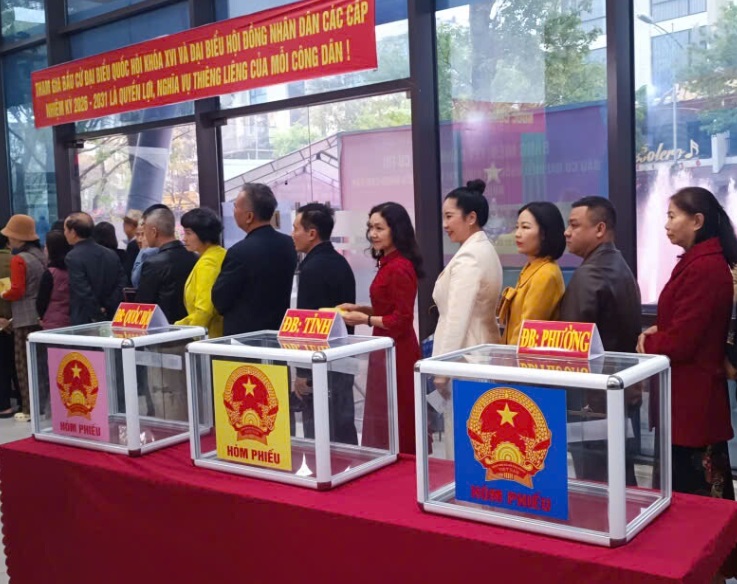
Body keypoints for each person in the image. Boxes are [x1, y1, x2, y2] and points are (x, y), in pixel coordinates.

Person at [638, 187, 736, 499]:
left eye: (672, 216)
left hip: (693, 401)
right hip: (686, 398)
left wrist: (648, 342)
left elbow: (683, 342)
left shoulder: (704, 268)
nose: (666, 224)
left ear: (696, 221)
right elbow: (689, 324)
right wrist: (662, 329)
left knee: (696, 501)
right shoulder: (699, 262)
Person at [560, 196, 642, 485]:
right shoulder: (618, 265)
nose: (567, 232)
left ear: (599, 229)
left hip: (593, 402)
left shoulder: (590, 274)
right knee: (621, 477)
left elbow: (571, 342)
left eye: (574, 225)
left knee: (596, 484)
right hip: (618, 392)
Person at [340, 202, 423, 455]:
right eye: (370, 228)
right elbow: (387, 309)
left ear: (396, 230)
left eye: (379, 228)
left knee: (396, 412)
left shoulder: (399, 267)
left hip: (398, 349)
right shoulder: (388, 263)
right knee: (384, 410)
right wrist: (361, 309)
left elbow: (401, 319)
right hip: (385, 345)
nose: (373, 234)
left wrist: (364, 320)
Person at [432, 179, 502, 458]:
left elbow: (456, 319)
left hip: (465, 359)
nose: (445, 224)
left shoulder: (469, 257)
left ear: (471, 218)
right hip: (479, 355)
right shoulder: (482, 249)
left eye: (449, 216)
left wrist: (442, 370)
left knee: (465, 444)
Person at [291, 203, 357, 444]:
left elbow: (308, 324)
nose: (292, 234)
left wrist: (303, 373)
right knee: (342, 426)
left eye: (296, 228)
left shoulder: (312, 269)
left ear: (312, 233)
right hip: (342, 358)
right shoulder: (339, 262)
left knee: (320, 432)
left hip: (321, 364)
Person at [212, 184, 297, 336]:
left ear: (249, 217)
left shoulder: (239, 252)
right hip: (278, 332)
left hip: (244, 337)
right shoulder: (289, 244)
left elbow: (220, 300)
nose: (233, 211)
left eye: (236, 207)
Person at [497, 202, 566, 345]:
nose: (517, 234)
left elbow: (527, 332)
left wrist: (508, 356)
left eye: (525, 227)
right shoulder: (531, 267)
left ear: (544, 234)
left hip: (524, 357)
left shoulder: (545, 274)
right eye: (517, 227)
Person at [0, 215, 47, 421]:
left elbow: (17, 290)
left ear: (18, 238)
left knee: (23, 367)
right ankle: (42, 406)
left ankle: (29, 409)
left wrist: (3, 293)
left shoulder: (19, 259)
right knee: (39, 365)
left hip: (23, 317)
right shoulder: (40, 255)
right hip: (39, 316)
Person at [135, 205, 197, 324]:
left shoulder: (153, 264)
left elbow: (143, 305)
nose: (144, 236)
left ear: (154, 232)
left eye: (145, 230)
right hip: (192, 326)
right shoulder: (194, 257)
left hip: (163, 328)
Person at [64, 212, 126, 325]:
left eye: (65, 230)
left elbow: (82, 289)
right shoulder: (110, 254)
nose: (64, 233)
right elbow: (121, 283)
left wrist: (97, 311)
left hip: (85, 318)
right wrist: (108, 306)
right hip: (111, 314)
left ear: (73, 232)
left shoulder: (73, 256)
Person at [174, 207, 226, 338]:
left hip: (210, 337)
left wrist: (190, 336)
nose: (184, 239)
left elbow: (204, 310)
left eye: (188, 233)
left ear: (203, 234)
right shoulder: (219, 254)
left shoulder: (208, 263)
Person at [36, 230, 72, 330]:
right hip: (72, 320)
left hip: (52, 321)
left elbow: (42, 300)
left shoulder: (50, 273)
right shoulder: (74, 270)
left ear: (51, 250)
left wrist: (41, 317)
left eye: (46, 246)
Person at [0, 233, 16, 418]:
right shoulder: (15, 260)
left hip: (2, 322)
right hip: (16, 320)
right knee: (16, 363)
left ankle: (4, 405)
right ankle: (24, 403)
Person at [131, 218, 158, 288]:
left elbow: (135, 281)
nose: (139, 240)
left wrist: (143, 250)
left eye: (143, 234)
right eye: (137, 234)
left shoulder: (156, 252)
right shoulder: (132, 248)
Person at [122, 210, 142, 284]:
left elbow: (128, 271)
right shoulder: (131, 243)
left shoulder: (134, 245)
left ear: (133, 225)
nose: (123, 225)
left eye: (126, 222)